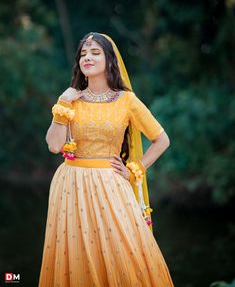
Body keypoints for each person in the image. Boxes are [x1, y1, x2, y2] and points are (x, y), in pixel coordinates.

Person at [38, 32, 174, 287]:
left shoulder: (126, 100)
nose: (87, 57)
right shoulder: (71, 99)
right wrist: (63, 104)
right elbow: (54, 146)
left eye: (95, 52)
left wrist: (135, 170)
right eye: (83, 54)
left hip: (111, 186)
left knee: (124, 253)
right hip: (70, 186)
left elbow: (162, 140)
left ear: (110, 59)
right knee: (74, 255)